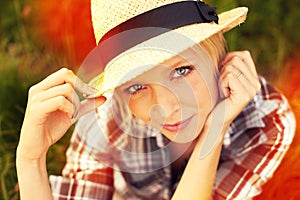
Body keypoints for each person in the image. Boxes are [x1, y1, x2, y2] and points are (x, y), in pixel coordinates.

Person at [16, 0, 296, 199]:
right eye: (136, 86)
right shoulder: (107, 113)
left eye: (181, 70)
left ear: (215, 56)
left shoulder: (267, 122)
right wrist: (30, 160)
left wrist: (215, 128)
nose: (164, 107)